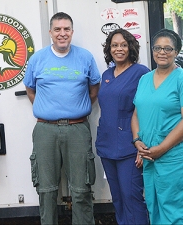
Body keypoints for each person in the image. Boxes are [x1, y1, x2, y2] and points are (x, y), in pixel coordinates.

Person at [23, 12, 101, 225]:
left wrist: (77, 109)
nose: (62, 33)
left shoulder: (85, 57)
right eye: (57, 29)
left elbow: (94, 89)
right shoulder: (38, 59)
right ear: (50, 32)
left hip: (77, 129)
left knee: (81, 188)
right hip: (45, 130)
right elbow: (30, 90)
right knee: (46, 190)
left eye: (66, 29)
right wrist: (46, 109)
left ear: (72, 32)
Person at [95, 28, 149, 225]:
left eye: (123, 45)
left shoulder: (141, 73)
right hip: (107, 146)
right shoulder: (107, 74)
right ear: (109, 49)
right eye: (115, 45)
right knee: (117, 199)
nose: (119, 49)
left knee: (131, 197)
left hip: (130, 147)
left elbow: (146, 110)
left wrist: (141, 147)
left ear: (131, 47)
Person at [132, 29, 183, 224]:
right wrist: (137, 141)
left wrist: (161, 149)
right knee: (153, 206)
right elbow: (136, 114)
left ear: (176, 51)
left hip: (172, 156)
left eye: (168, 48)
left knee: (173, 209)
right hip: (149, 156)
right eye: (158, 48)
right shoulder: (145, 79)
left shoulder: (180, 79)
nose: (162, 52)